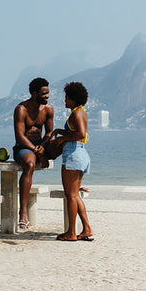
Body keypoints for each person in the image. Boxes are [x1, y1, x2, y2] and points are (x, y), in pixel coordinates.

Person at [50, 81, 94, 241]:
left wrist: (62, 139)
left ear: (73, 98)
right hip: (80, 154)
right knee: (75, 195)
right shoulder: (80, 111)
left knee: (71, 195)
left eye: (67, 97)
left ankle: (71, 233)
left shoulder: (76, 113)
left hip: (73, 154)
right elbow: (76, 131)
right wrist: (60, 131)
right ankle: (87, 230)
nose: (64, 100)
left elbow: (81, 134)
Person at [13, 77, 54, 230]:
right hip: (23, 146)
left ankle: (77, 188)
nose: (47, 96)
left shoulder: (48, 109)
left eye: (48, 93)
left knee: (62, 147)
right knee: (30, 164)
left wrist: (43, 146)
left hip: (40, 145)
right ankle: (23, 212)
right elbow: (20, 136)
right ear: (34, 93)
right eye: (44, 94)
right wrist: (35, 149)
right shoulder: (21, 109)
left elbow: (49, 132)